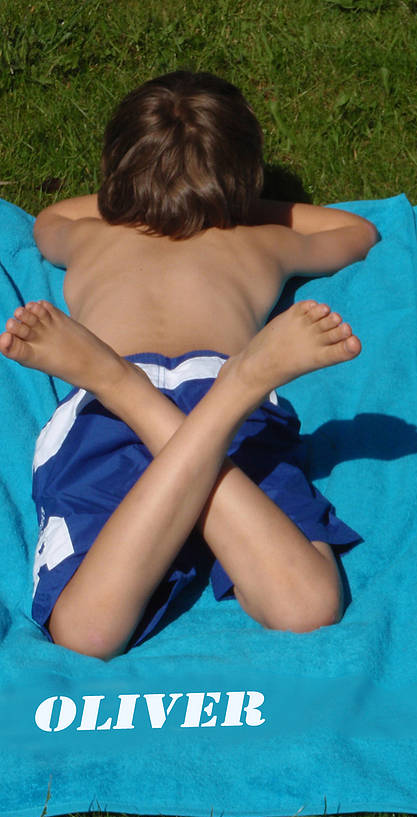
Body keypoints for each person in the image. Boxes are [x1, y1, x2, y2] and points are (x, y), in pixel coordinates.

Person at [0, 70, 378, 659]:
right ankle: (241, 387)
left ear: (114, 172)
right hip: (222, 387)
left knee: (85, 634)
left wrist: (127, 198)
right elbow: (356, 231)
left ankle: (119, 382)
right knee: (309, 607)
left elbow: (49, 220)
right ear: (244, 181)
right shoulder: (261, 241)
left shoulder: (92, 237)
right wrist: (244, 209)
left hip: (103, 406)